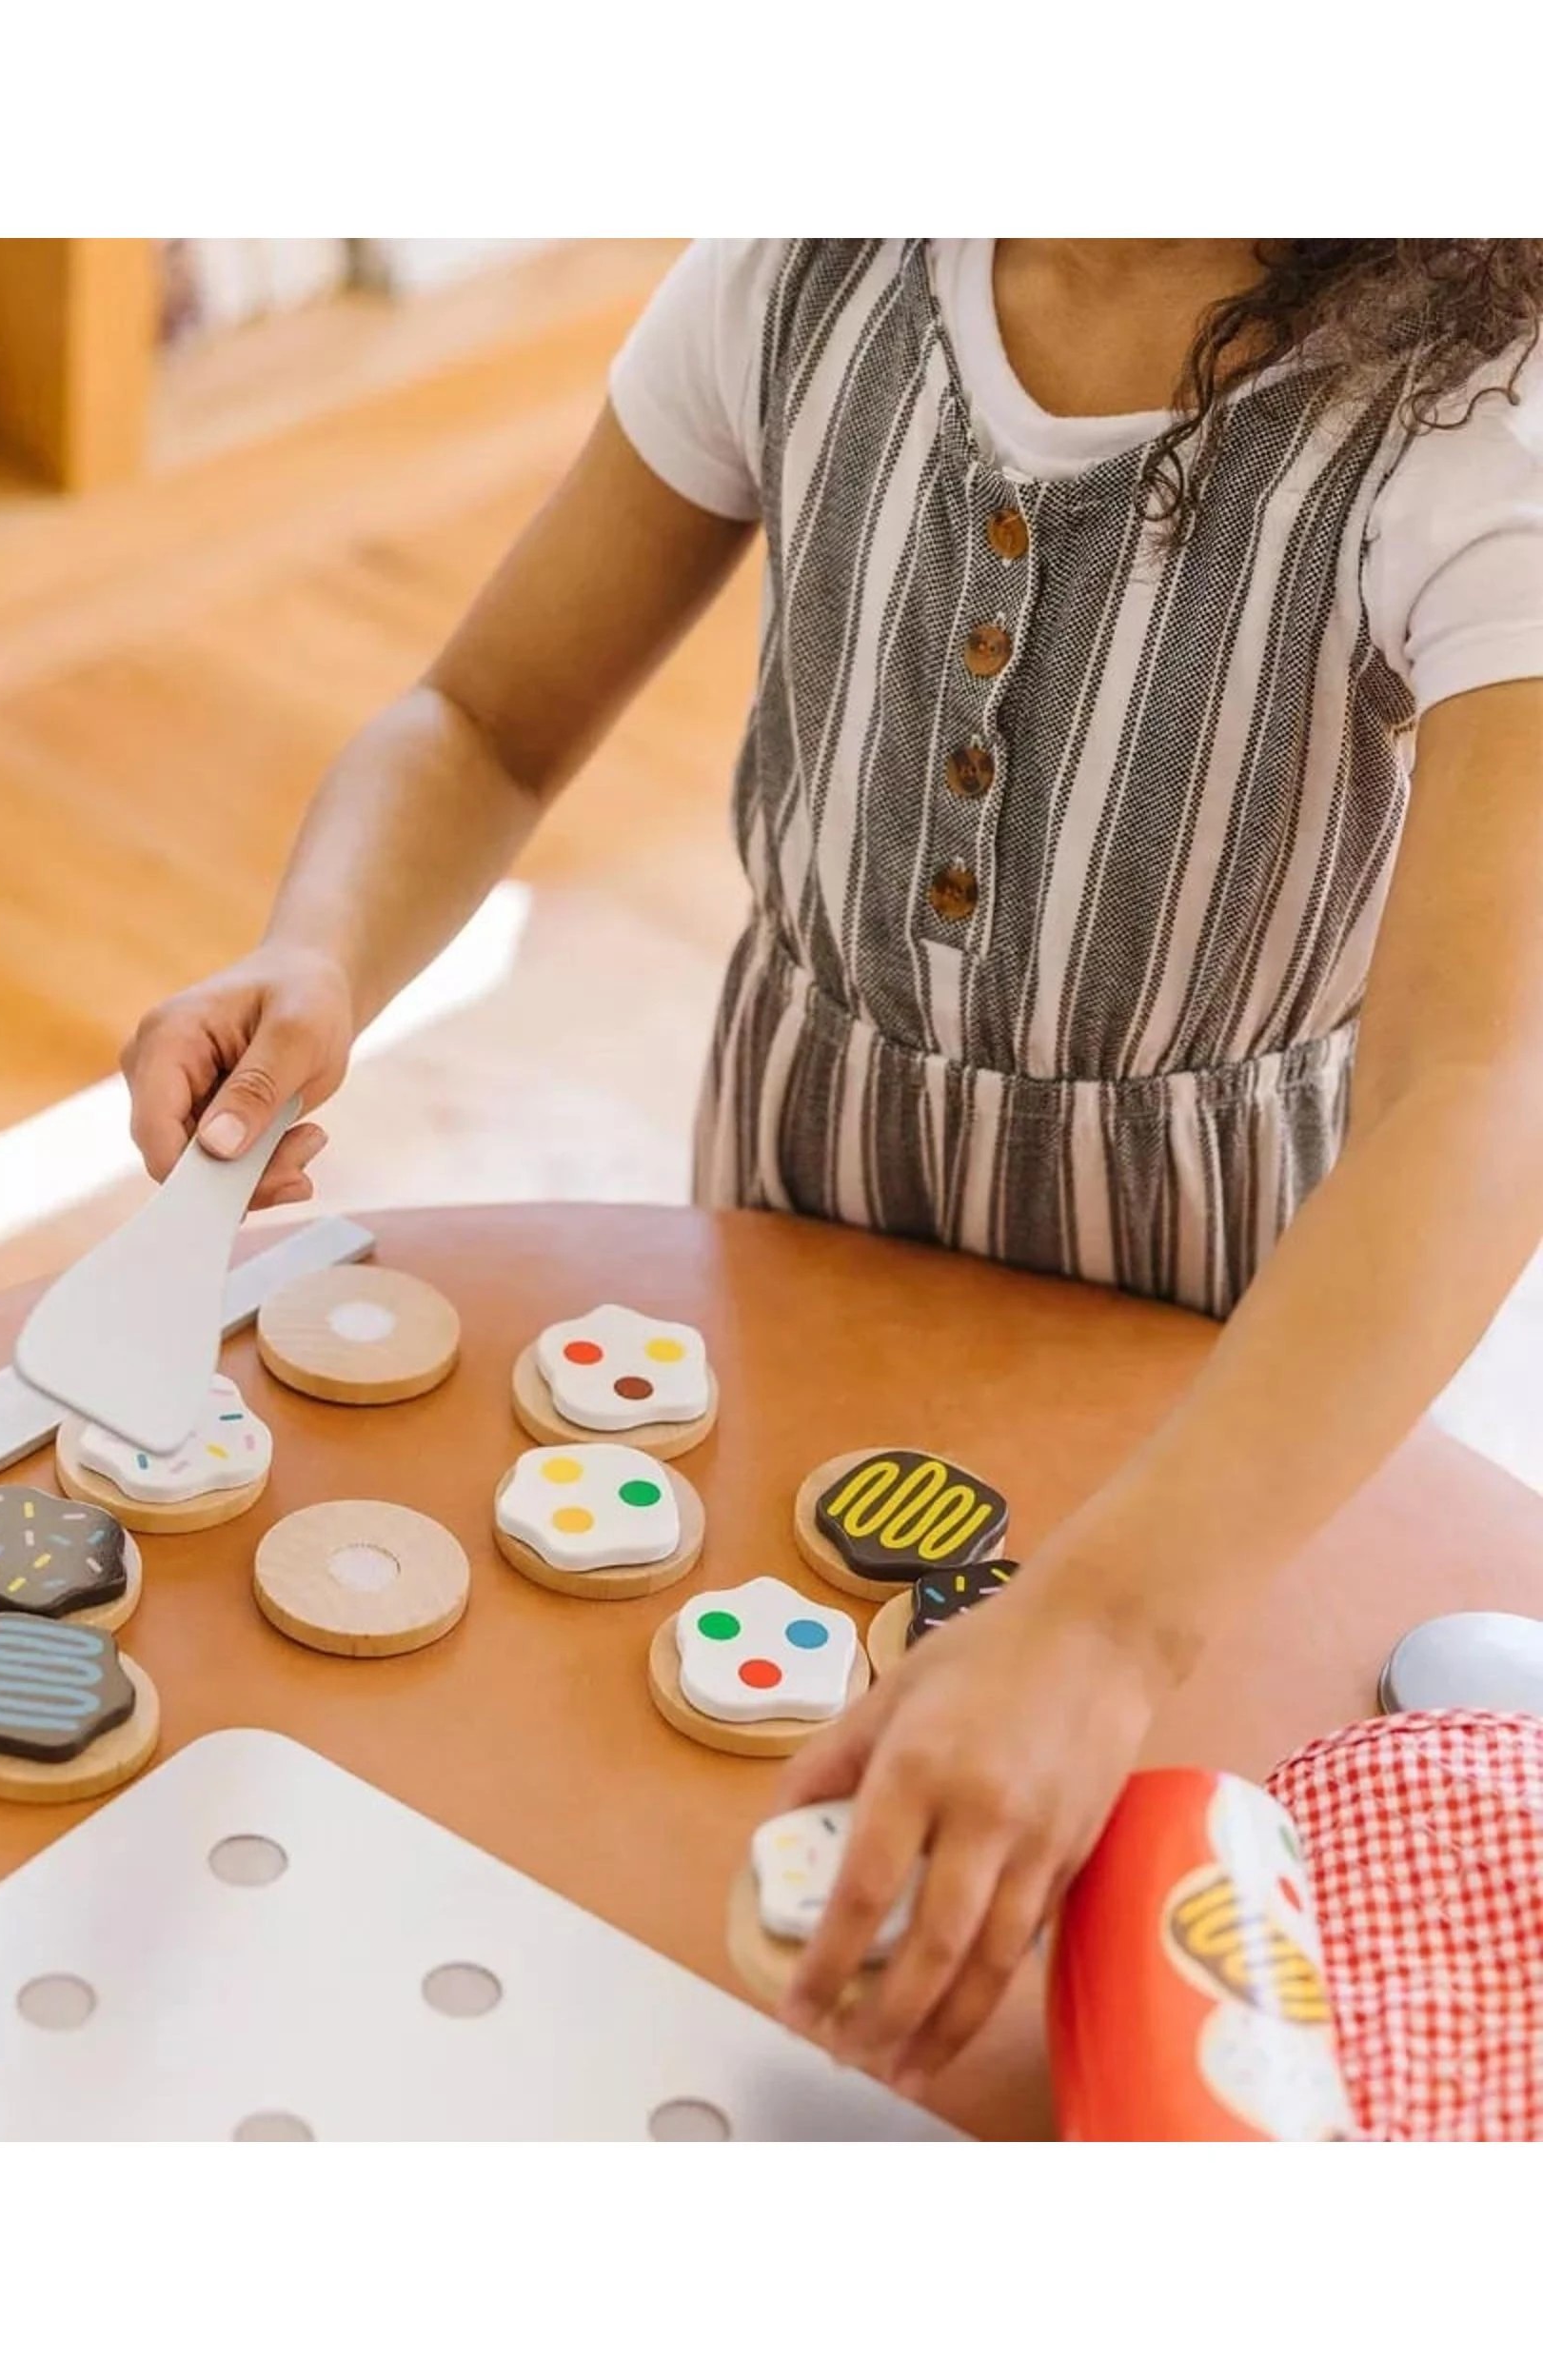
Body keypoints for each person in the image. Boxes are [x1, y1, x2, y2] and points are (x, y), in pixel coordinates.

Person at [122, 241, 1543, 2093]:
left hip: (1206, 1389)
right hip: (788, 1232)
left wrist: (1110, 1623)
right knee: (704, 1834)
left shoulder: (1475, 423)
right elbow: (481, 719)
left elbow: (1479, 1093)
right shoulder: (809, 262)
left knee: (1060, 1992)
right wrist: (321, 947)